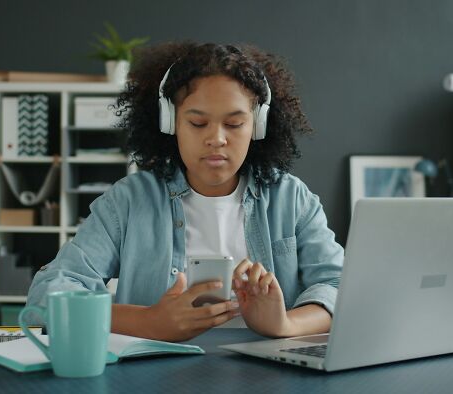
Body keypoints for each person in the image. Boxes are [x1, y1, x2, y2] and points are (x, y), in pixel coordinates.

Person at [26, 42, 344, 342]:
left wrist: (284, 324)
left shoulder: (292, 199)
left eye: (234, 124)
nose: (216, 139)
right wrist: (148, 322)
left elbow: (340, 286)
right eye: (197, 123)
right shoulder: (128, 201)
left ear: (258, 126)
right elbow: (47, 295)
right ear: (170, 122)